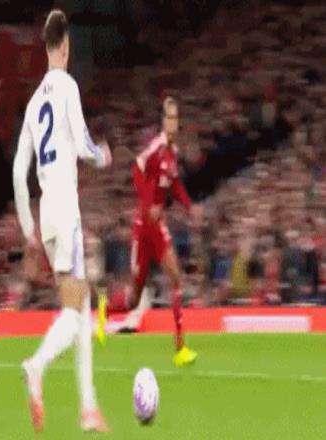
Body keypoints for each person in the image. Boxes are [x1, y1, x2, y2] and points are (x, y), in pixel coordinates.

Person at [13, 9, 112, 433]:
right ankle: (36, 366)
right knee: (74, 311)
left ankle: (88, 409)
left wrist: (28, 232)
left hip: (45, 213)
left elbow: (18, 171)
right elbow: (84, 143)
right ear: (66, 46)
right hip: (66, 207)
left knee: (82, 304)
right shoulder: (67, 86)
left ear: (46, 46)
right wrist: (102, 155)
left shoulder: (34, 102)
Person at [100, 97, 201, 367]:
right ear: (163, 122)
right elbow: (137, 169)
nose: (172, 123)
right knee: (133, 300)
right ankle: (105, 308)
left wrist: (190, 206)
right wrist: (148, 206)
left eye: (175, 118)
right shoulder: (156, 147)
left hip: (158, 226)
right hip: (143, 226)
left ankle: (180, 348)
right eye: (169, 118)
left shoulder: (173, 152)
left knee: (176, 279)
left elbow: (175, 184)